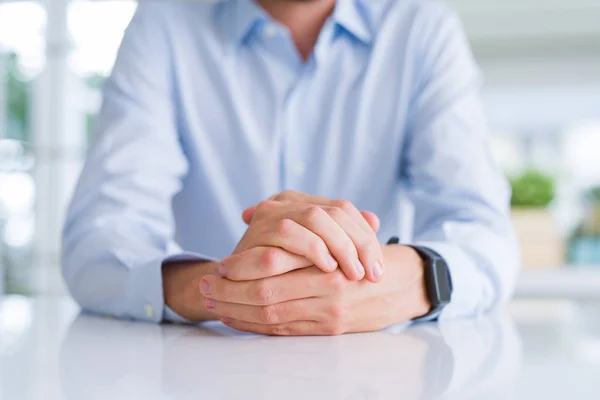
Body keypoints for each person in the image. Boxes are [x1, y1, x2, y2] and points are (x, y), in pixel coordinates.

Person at [62, 0, 519, 336]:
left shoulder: (421, 26)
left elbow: (486, 233)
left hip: (378, 366)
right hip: (206, 370)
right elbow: (99, 241)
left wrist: (401, 281)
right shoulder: (164, 23)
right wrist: (229, 290)